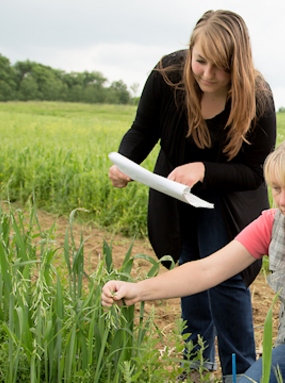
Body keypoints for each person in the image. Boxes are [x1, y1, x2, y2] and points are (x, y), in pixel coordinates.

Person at [102, 125, 285, 383]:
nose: (283, 201)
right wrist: (138, 290)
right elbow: (208, 270)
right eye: (277, 188)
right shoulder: (271, 224)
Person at [107, 10, 276, 383]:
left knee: (224, 277)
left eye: (221, 67)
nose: (207, 74)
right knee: (187, 267)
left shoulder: (258, 97)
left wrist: (204, 170)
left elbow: (255, 171)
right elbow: (142, 130)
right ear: (190, 50)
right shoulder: (168, 77)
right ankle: (195, 367)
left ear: (240, 66)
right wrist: (126, 162)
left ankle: (239, 373)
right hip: (176, 191)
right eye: (201, 61)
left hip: (229, 197)